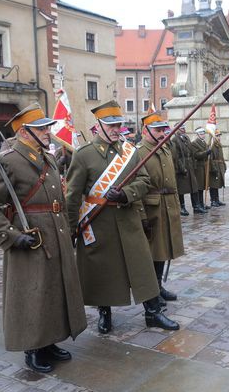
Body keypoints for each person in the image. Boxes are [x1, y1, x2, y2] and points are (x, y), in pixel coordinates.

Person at [0, 103, 87, 373]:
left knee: (53, 290)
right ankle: (32, 347)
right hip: (30, 237)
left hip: (55, 233)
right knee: (32, 293)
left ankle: (49, 341)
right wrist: (11, 236)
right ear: (25, 132)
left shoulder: (46, 157)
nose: (49, 132)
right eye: (42, 128)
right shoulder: (8, 161)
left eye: (47, 127)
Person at [65, 101, 178, 333]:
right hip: (98, 222)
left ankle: (152, 312)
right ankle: (104, 313)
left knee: (142, 267)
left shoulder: (130, 152)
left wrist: (125, 194)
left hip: (128, 218)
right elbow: (73, 195)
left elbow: (145, 181)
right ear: (99, 127)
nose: (117, 129)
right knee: (103, 270)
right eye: (111, 125)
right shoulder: (83, 155)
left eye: (119, 125)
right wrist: (70, 230)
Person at [138, 111, 186, 312]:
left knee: (164, 249)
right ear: (145, 131)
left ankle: (159, 287)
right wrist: (141, 216)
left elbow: (171, 180)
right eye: (157, 130)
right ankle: (152, 292)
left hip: (168, 206)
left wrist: (175, 206)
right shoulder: (140, 152)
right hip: (152, 209)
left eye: (163, 130)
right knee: (152, 253)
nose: (161, 134)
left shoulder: (164, 149)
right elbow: (137, 185)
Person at [171, 125, 200, 215]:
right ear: (177, 129)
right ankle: (182, 207)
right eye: (182, 128)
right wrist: (181, 168)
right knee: (181, 189)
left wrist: (193, 165)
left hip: (190, 166)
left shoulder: (186, 138)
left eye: (184, 128)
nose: (184, 129)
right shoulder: (175, 140)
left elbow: (191, 153)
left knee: (194, 187)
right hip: (181, 168)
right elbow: (176, 156)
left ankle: (196, 206)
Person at [191, 127, 211, 212]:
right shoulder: (194, 143)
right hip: (198, 167)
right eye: (201, 134)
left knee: (202, 187)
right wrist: (206, 153)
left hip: (204, 166)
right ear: (198, 135)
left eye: (203, 134)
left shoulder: (204, 143)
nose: (203, 135)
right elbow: (196, 154)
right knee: (199, 187)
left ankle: (202, 204)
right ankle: (198, 205)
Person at [208, 129, 227, 207]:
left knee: (217, 184)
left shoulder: (219, 145)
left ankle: (217, 199)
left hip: (219, 166)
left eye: (219, 136)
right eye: (217, 136)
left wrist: (224, 165)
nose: (219, 137)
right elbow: (211, 159)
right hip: (214, 167)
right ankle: (213, 200)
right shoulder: (212, 146)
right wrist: (213, 168)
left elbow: (221, 157)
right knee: (213, 185)